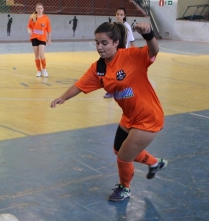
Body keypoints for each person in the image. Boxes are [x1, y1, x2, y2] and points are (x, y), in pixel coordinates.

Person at [50, 22, 168, 202]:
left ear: (115, 42)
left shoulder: (131, 56)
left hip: (148, 117)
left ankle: (125, 188)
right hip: (129, 117)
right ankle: (154, 163)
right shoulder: (100, 68)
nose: (99, 47)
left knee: (123, 157)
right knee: (118, 149)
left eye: (104, 43)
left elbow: (154, 50)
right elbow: (80, 85)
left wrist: (149, 34)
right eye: (97, 43)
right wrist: (63, 97)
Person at [104, 7, 135, 98]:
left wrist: (133, 53)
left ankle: (126, 89)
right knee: (110, 72)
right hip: (113, 53)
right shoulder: (112, 26)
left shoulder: (127, 27)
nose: (119, 16)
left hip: (123, 53)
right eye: (117, 14)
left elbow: (131, 40)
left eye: (121, 15)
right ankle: (111, 90)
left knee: (122, 73)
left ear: (124, 16)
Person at [27, 3, 51, 77]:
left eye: (41, 8)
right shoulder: (33, 17)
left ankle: (44, 69)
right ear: (36, 9)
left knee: (41, 55)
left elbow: (49, 30)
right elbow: (29, 26)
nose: (39, 10)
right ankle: (39, 71)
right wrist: (29, 30)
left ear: (43, 9)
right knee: (36, 56)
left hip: (42, 38)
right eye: (38, 8)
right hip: (34, 38)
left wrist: (49, 39)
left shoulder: (46, 18)